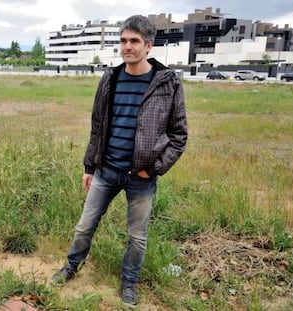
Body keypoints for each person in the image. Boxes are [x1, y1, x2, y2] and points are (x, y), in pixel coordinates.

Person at [51, 14, 187, 308]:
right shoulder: (110, 78)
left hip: (141, 178)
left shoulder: (167, 82)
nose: (127, 46)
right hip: (106, 170)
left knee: (137, 238)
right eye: (123, 40)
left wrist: (152, 169)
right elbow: (97, 125)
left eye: (134, 41)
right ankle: (71, 267)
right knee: (84, 226)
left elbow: (179, 135)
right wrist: (90, 166)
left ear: (148, 45)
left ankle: (129, 282)